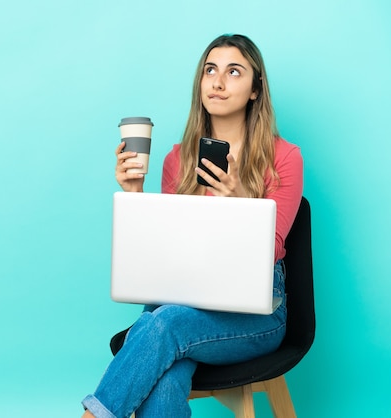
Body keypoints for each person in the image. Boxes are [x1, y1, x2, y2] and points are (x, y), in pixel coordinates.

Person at [81, 34, 303, 418]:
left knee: (161, 324)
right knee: (165, 369)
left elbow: (273, 248)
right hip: (183, 302)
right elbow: (165, 258)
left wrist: (239, 203)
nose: (217, 82)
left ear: (255, 89)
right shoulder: (178, 160)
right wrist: (134, 194)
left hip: (258, 313)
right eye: (210, 70)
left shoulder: (284, 157)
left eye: (234, 72)